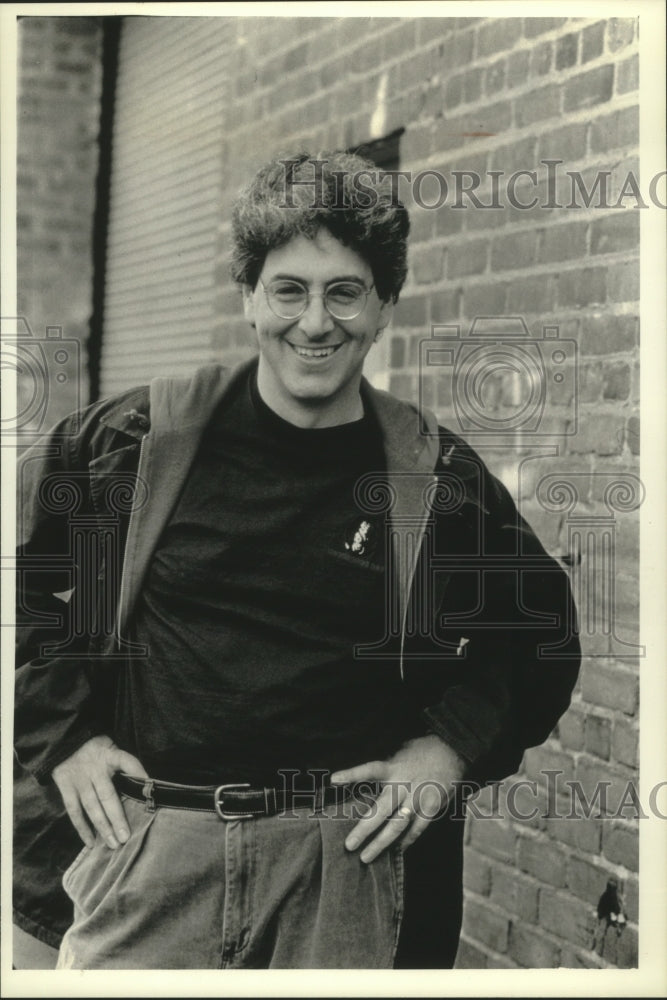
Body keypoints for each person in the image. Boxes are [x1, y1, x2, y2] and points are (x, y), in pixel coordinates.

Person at [14, 151, 581, 969]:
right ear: (249, 297)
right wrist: (63, 736)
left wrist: (450, 745)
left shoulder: (432, 478)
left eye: (344, 292)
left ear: (384, 306)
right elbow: (25, 576)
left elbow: (538, 631)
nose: (315, 323)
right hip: (151, 851)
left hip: (343, 868)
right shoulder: (136, 441)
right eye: (289, 290)